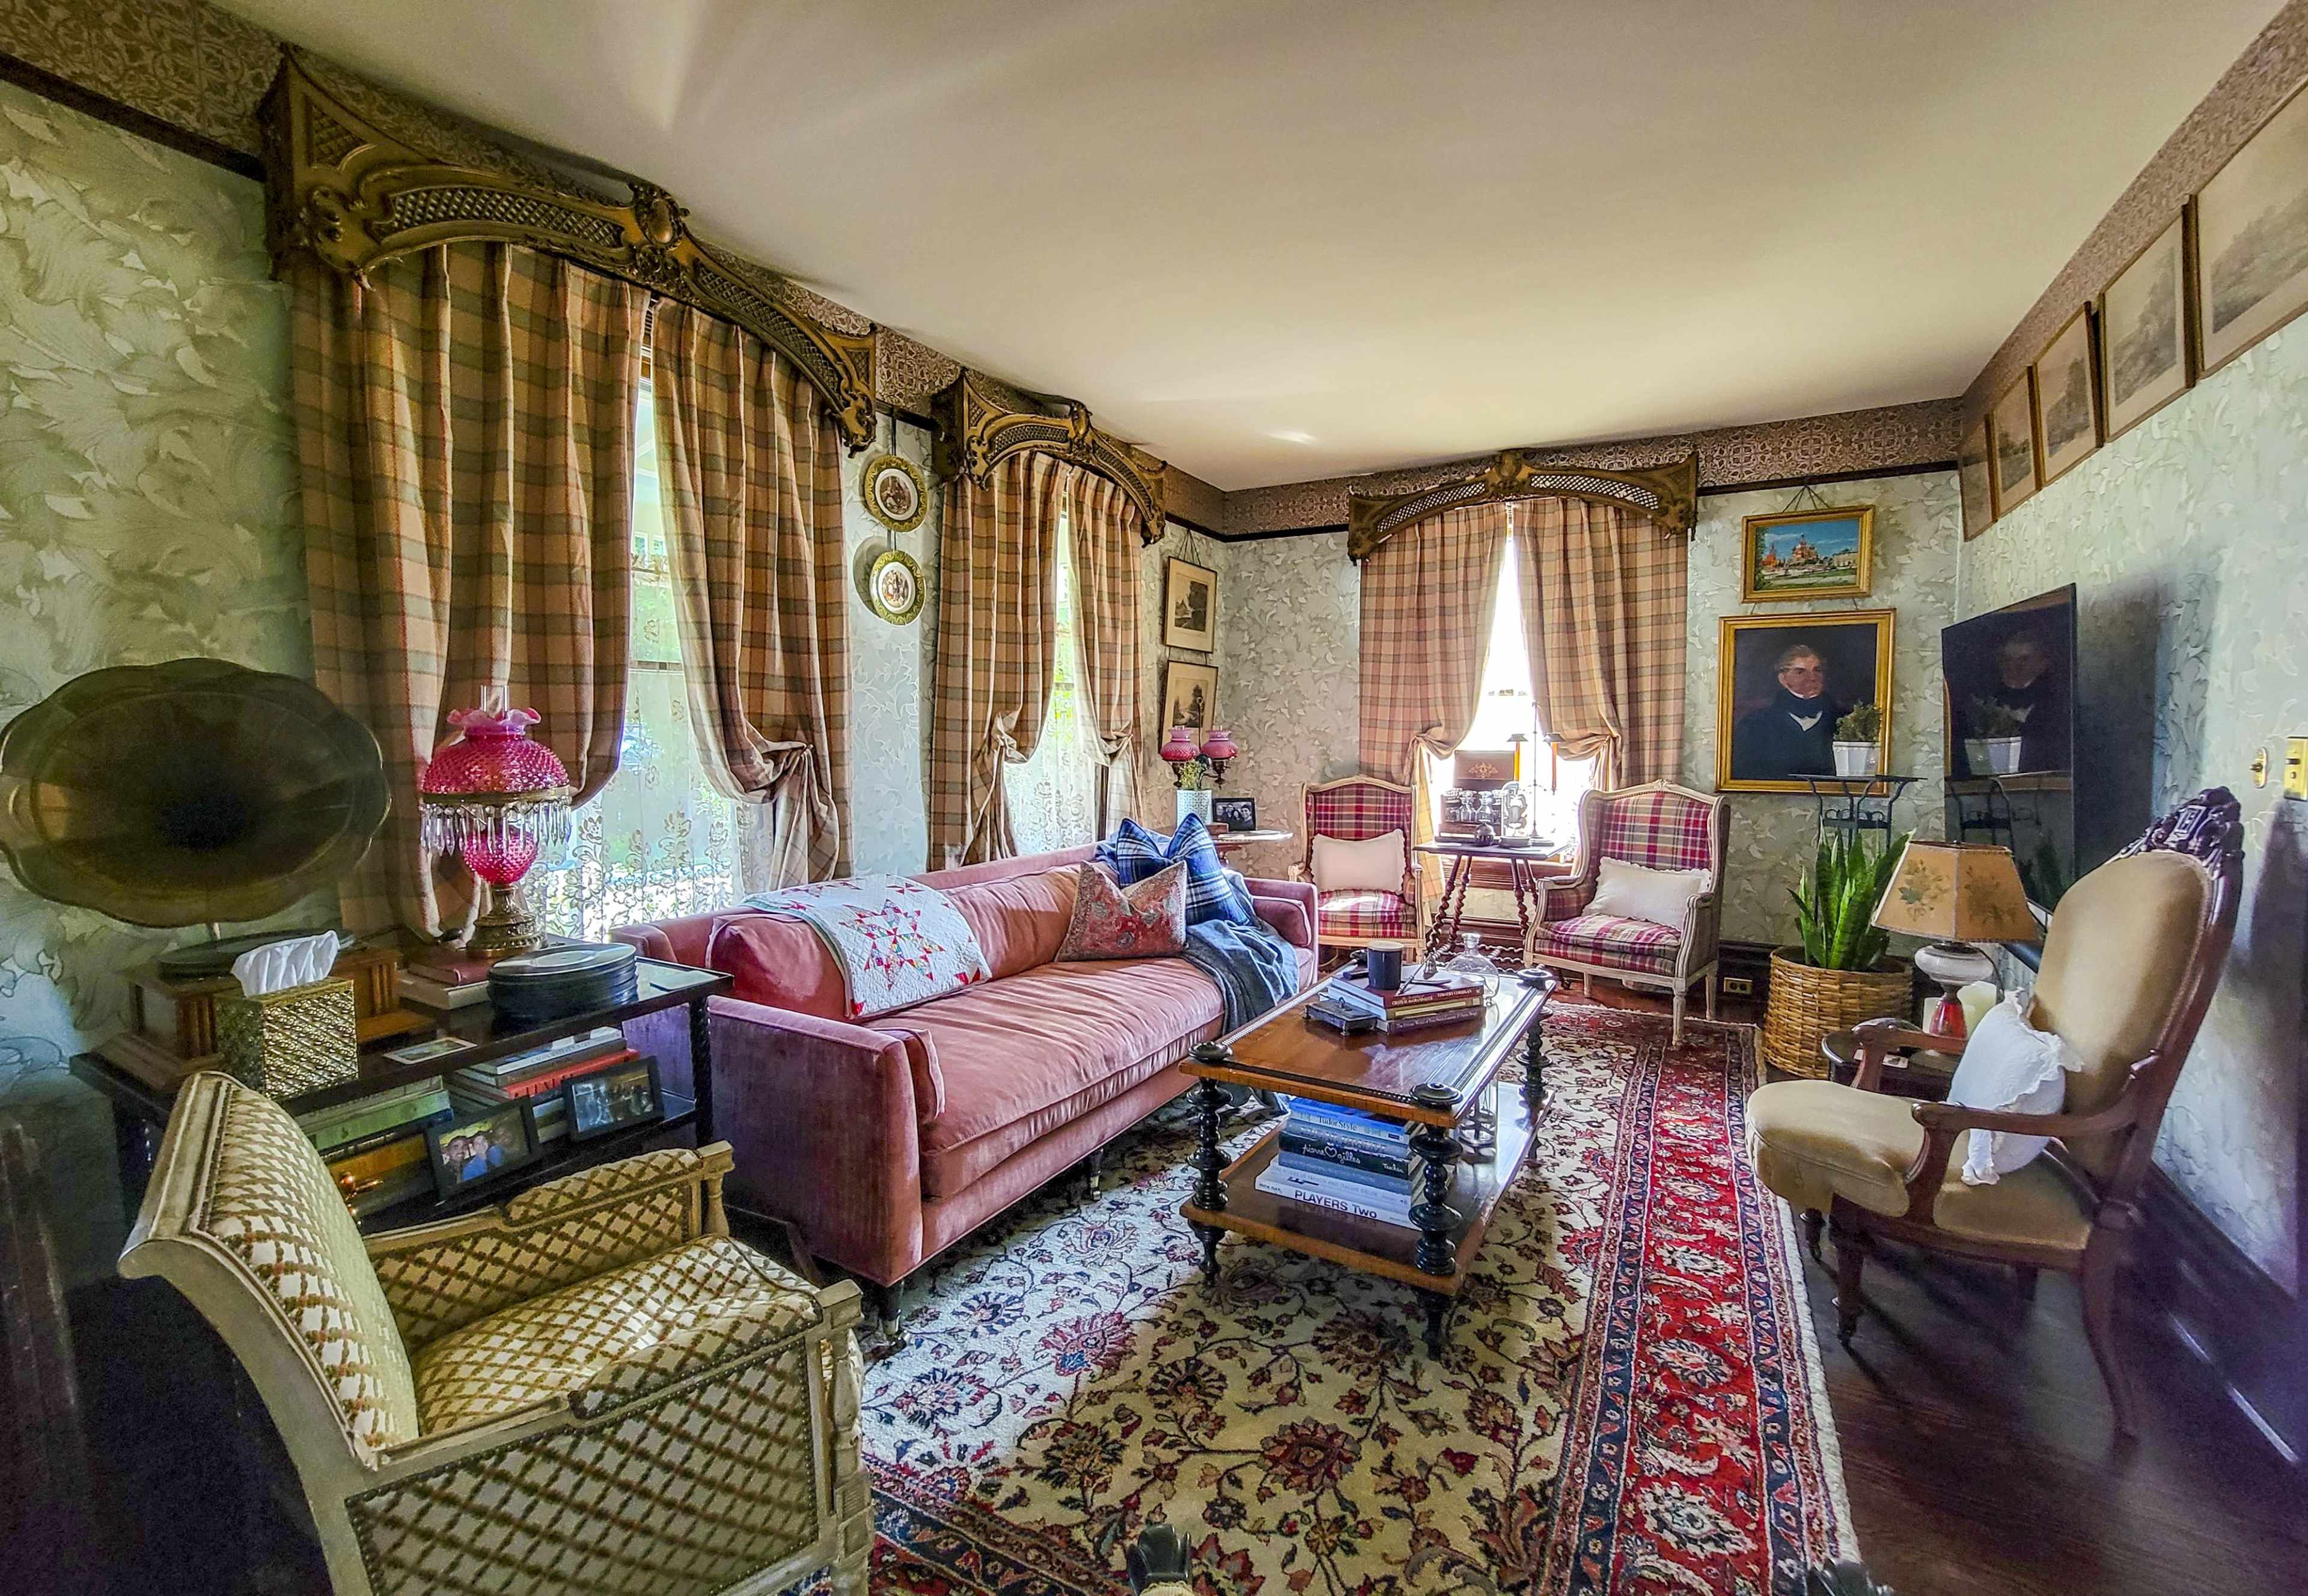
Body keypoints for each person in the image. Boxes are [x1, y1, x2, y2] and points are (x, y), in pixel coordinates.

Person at [1732, 641, 1842, 780]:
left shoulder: (1844, 718)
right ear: (1783, 679)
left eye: (1817, 670)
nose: (1812, 677)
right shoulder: (1754, 724)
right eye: (1800, 672)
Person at [1983, 630, 2069, 773]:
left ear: (2042, 664)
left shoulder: (2056, 702)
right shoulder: (1986, 700)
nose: (2013, 666)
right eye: (2008, 659)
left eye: (2024, 660)